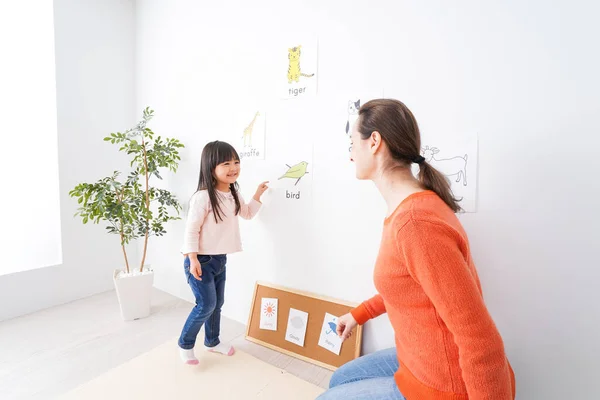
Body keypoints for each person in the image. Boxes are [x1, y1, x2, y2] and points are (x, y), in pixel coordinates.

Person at [318, 99, 515, 399]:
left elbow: (481, 339)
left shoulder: (415, 223)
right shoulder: (406, 209)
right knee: (340, 378)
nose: (350, 155)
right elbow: (405, 286)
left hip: (442, 385)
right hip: (416, 360)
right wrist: (358, 315)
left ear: (374, 142)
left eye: (351, 143)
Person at [178, 140, 268, 365]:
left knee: (217, 304)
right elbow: (191, 230)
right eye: (226, 163)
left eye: (236, 162)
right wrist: (192, 258)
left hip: (219, 260)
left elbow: (246, 214)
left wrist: (257, 194)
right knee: (205, 305)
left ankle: (213, 341)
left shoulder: (233, 193)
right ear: (211, 168)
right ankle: (185, 344)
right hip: (199, 260)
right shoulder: (203, 197)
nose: (233, 167)